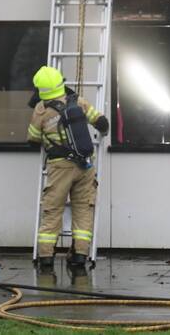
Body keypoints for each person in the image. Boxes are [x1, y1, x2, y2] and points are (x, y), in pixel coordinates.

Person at [27, 66, 109, 270]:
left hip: (60, 168)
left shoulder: (41, 109)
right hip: (85, 165)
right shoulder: (77, 101)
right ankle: (80, 255)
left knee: (52, 210)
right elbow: (101, 121)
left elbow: (33, 139)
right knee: (83, 209)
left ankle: (46, 257)